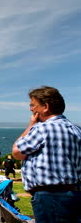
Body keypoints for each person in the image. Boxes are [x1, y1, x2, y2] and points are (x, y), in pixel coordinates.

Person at [12, 86, 81, 222]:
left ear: (45, 107)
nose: (31, 109)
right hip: (75, 194)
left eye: (33, 105)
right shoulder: (77, 130)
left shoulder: (42, 128)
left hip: (50, 197)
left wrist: (31, 124)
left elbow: (17, 152)